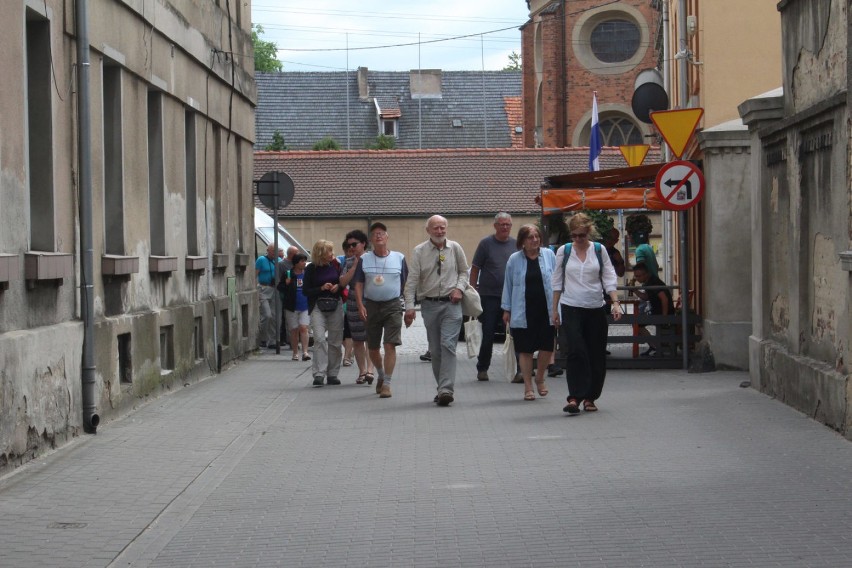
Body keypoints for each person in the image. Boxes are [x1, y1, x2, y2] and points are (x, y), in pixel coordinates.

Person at [551, 213, 623, 415]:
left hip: (595, 307)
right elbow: (556, 282)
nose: (578, 239)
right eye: (574, 235)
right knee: (575, 350)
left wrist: (615, 303)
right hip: (570, 305)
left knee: (596, 353)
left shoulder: (599, 251)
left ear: (589, 232)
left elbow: (609, 278)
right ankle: (574, 397)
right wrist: (554, 310)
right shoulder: (564, 252)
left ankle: (590, 397)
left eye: (581, 235)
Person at [404, 215, 469, 406]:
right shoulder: (419, 251)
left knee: (448, 344)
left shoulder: (455, 248)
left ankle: (446, 389)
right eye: (435, 228)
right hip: (429, 305)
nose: (439, 231)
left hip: (451, 304)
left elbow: (464, 272)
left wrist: (459, 288)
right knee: (435, 349)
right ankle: (442, 387)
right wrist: (409, 306)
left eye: (442, 228)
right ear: (428, 231)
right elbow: (412, 280)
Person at [501, 225, 556, 401]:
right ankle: (528, 386)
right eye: (530, 237)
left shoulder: (549, 255)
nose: (535, 240)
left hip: (546, 309)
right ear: (522, 241)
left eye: (537, 237)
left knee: (547, 347)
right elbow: (508, 285)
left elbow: (557, 282)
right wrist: (506, 309)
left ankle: (540, 377)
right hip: (522, 310)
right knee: (525, 350)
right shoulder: (514, 260)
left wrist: (558, 309)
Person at [354, 223, 408, 398]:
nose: (378, 236)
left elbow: (407, 284)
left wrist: (409, 308)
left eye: (381, 233)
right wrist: (360, 305)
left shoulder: (399, 258)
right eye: (375, 234)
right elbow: (359, 284)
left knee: (390, 344)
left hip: (393, 305)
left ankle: (387, 383)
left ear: (387, 237)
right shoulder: (364, 259)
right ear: (370, 239)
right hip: (371, 305)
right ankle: (380, 374)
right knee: (374, 347)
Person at [470, 212, 516, 382]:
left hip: (510, 297)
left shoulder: (516, 244)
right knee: (488, 333)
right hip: (489, 296)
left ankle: (518, 369)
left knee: (514, 333)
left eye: (508, 224)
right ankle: (482, 368)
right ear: (495, 226)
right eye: (502, 224)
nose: (505, 227)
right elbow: (475, 268)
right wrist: (472, 292)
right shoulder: (486, 244)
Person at [304, 240, 351, 387]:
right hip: (318, 305)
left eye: (332, 251)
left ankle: (332, 373)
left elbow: (343, 282)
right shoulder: (311, 268)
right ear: (321, 253)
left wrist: (338, 286)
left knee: (335, 341)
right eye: (329, 251)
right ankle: (319, 373)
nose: (332, 254)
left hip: (335, 305)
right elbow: (306, 291)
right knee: (319, 339)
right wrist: (321, 288)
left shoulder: (336, 265)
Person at [341, 229, 376, 385]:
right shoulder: (348, 261)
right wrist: (355, 266)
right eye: (349, 245)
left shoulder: (374, 259)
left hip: (371, 301)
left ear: (363, 244)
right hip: (354, 303)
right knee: (357, 339)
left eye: (354, 244)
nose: (352, 248)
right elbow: (342, 282)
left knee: (371, 337)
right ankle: (362, 370)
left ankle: (370, 369)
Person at [632, 262, 673, 357]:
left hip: (661, 313)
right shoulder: (649, 281)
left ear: (646, 274)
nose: (637, 279)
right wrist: (635, 290)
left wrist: (664, 317)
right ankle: (654, 345)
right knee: (636, 322)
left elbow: (664, 298)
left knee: (637, 323)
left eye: (638, 276)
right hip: (657, 312)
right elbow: (646, 297)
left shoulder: (653, 282)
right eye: (635, 276)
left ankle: (654, 346)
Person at [281, 253, 311, 361]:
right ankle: (295, 352)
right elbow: (280, 287)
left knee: (303, 328)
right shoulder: (288, 273)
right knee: (294, 330)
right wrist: (286, 283)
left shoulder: (307, 273)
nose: (304, 263)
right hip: (291, 306)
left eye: (305, 261)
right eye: (302, 261)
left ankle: (305, 352)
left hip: (305, 305)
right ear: (296, 263)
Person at [255, 243, 278, 349]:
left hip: (274, 289)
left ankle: (272, 340)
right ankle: (263, 339)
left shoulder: (278, 260)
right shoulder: (261, 260)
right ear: (268, 250)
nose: (274, 253)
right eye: (272, 251)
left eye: (275, 251)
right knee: (267, 315)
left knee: (274, 316)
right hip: (263, 289)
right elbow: (254, 274)